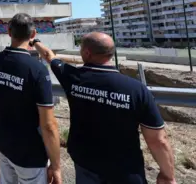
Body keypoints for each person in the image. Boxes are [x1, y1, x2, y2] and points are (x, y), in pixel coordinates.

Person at [33, 32, 175, 184]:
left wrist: (35, 41)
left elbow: (49, 55)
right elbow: (158, 140)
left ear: (87, 53)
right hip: (125, 170)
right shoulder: (137, 90)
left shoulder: (72, 77)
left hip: (85, 163)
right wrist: (168, 175)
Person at [0, 13, 61, 184]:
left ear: (8, 32)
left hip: (3, 143)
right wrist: (56, 166)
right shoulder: (37, 70)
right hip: (30, 154)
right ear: (33, 35)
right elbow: (48, 125)